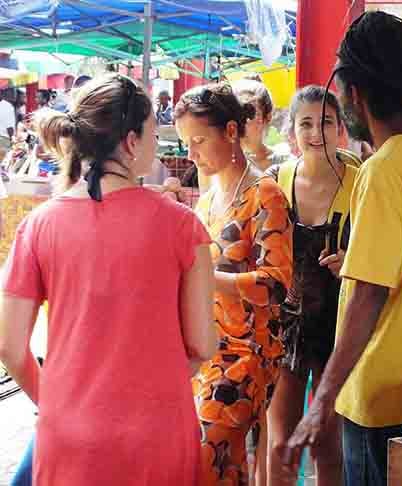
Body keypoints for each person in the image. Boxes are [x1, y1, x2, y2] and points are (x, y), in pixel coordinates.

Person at [0, 73, 215, 486]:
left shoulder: (39, 225)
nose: (157, 143)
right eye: (154, 132)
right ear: (132, 141)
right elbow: (203, 343)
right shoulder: (181, 226)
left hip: (68, 438)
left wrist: (57, 402)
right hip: (157, 434)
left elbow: (10, 348)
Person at [279, 12, 402, 486]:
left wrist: (321, 403)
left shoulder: (381, 171)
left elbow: (369, 293)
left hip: (378, 393)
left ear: (354, 93)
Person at [174, 82, 293, 486]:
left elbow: (276, 284)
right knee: (226, 467)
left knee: (205, 452)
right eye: (185, 143)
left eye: (198, 141)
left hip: (250, 351)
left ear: (229, 132)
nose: (191, 153)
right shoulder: (208, 199)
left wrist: (205, 280)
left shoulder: (266, 194)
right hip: (207, 346)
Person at [264, 85, 356, 486]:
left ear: (341, 129)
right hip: (284, 327)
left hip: (340, 327)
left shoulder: (364, 181)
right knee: (280, 441)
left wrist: (352, 264)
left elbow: (388, 251)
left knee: (326, 443)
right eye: (305, 123)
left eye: (326, 123)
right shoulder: (274, 182)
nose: (316, 133)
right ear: (291, 132)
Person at [233, 78, 286, 171]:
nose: (241, 122)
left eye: (249, 113)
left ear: (267, 117)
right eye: (235, 113)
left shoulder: (284, 164)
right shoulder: (220, 164)